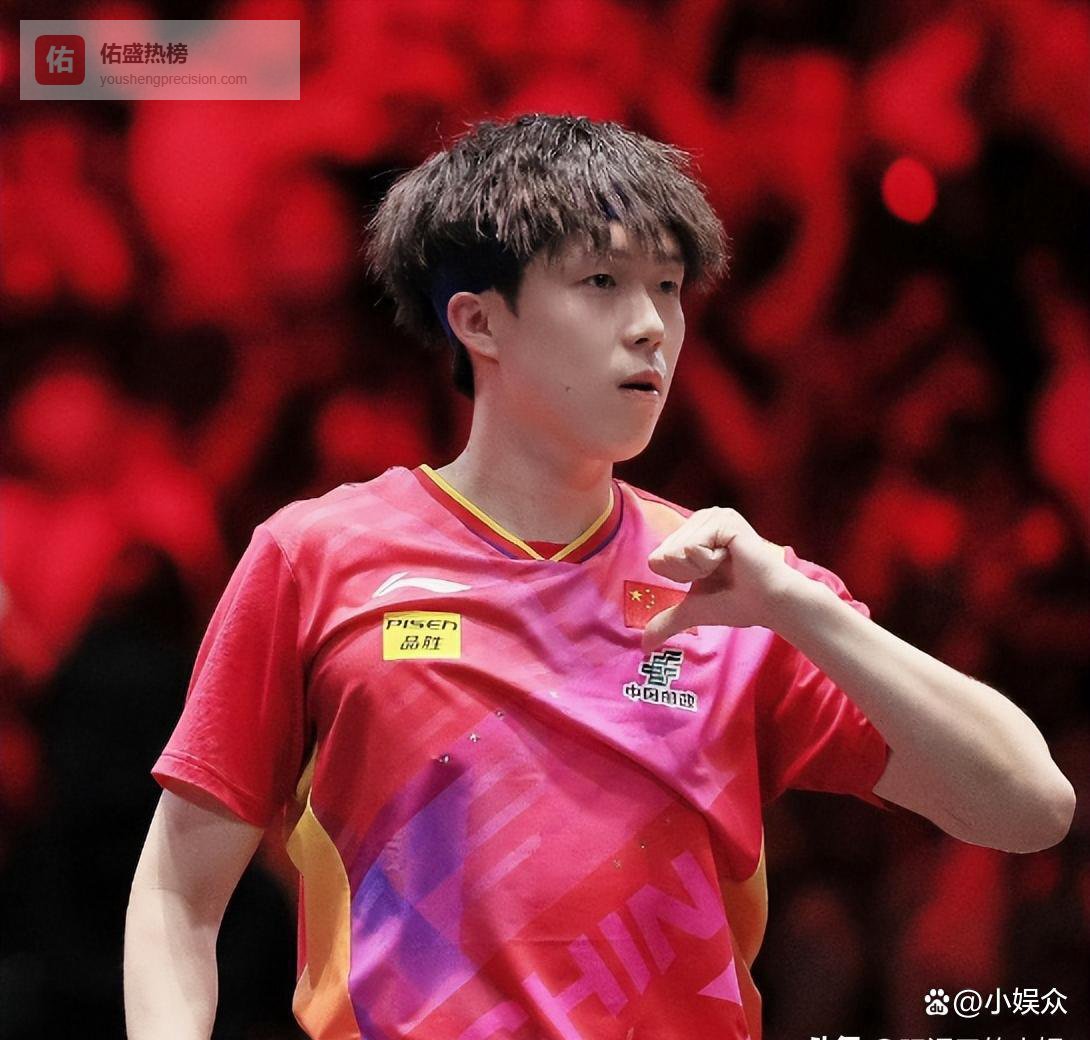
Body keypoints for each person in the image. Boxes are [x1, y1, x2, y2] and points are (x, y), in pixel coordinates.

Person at [124, 113, 1075, 1040]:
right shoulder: (316, 557)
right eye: (603, 282)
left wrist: (798, 608)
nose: (653, 327)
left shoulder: (731, 587)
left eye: (668, 288)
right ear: (480, 321)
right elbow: (176, 889)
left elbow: (1031, 806)